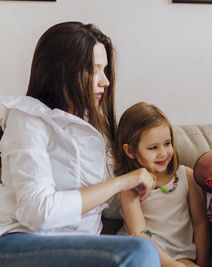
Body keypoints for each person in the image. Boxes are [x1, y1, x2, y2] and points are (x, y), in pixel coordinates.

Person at [0, 21, 160, 267]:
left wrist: (181, 190)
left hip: (78, 244)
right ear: (62, 71)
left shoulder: (89, 126)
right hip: (19, 242)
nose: (105, 81)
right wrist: (121, 181)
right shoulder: (28, 119)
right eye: (95, 70)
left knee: (144, 247)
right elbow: (38, 213)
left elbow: (102, 203)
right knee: (138, 252)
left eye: (105, 70)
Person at [113, 102, 210, 267]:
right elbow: (140, 234)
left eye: (167, 143)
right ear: (130, 151)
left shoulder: (186, 176)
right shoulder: (130, 186)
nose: (163, 153)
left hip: (180, 255)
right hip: (144, 254)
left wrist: (201, 263)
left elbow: (200, 223)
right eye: (153, 148)